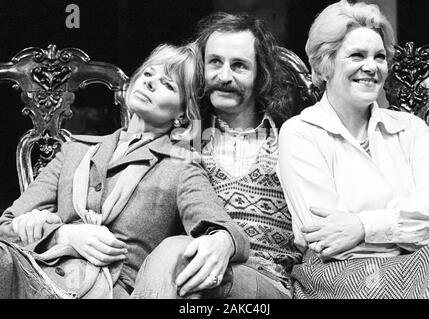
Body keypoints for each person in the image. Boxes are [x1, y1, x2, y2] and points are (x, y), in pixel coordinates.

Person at [0, 43, 249, 299]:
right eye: (148, 74)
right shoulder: (74, 150)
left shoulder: (180, 166)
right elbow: (6, 226)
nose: (149, 83)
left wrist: (223, 242)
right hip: (35, 275)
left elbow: (224, 230)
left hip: (105, 290)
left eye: (167, 84)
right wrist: (64, 234)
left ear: (183, 113)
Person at [277, 0, 429, 299]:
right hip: (338, 275)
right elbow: (327, 239)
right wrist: (407, 228)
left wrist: (362, 226)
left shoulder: (412, 130)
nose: (371, 67)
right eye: (357, 55)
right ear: (325, 64)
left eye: (379, 56)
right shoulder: (300, 133)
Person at [131, 12, 303, 299]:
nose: (224, 77)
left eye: (239, 66)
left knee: (181, 258)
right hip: (192, 271)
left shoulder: (291, 139)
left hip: (268, 282)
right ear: (200, 70)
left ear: (260, 74)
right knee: (183, 263)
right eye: (215, 63)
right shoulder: (182, 142)